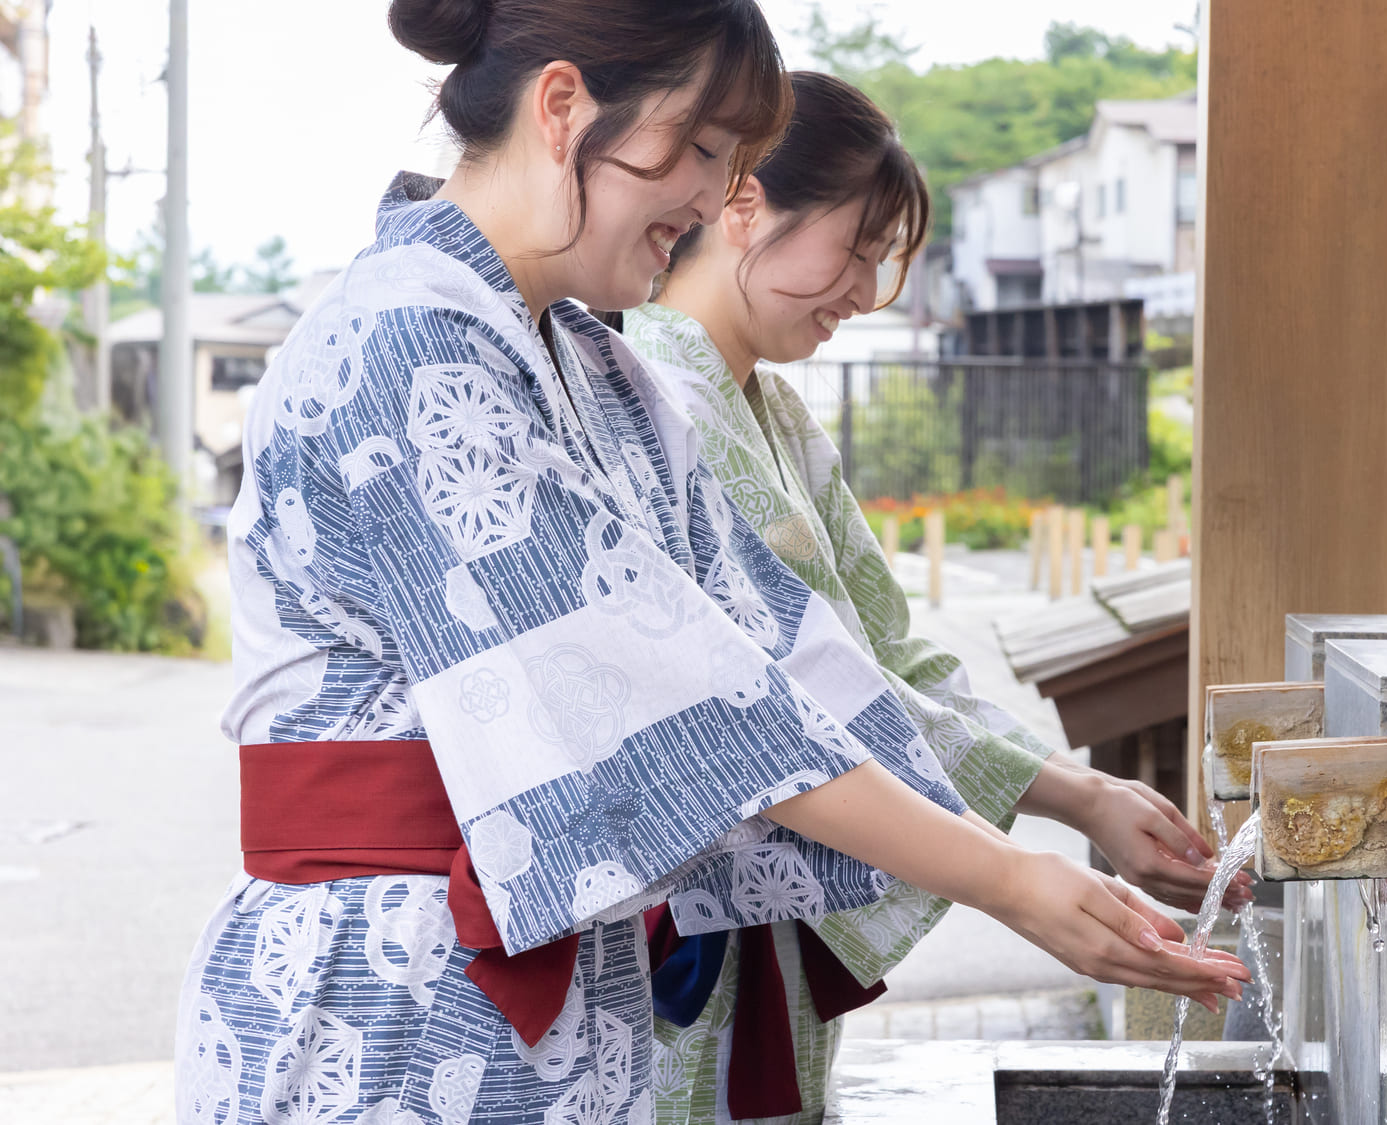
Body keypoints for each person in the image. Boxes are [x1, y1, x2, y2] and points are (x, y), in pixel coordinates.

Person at [177, 4, 1246, 1122]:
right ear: (562, 109)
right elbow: (678, 700)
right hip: (383, 985)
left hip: (564, 978)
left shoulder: (599, 367)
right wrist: (1004, 874)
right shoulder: (403, 343)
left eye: (733, 162)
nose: (708, 198)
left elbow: (789, 662)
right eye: (698, 151)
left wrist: (1028, 855)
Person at [623, 71, 1254, 1124]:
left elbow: (885, 664)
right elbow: (790, 701)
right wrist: (1034, 842)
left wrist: (1073, 795)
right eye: (857, 248)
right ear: (742, 206)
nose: (867, 292)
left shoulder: (769, 408)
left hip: (760, 927)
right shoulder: (653, 395)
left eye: (881, 260)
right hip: (678, 925)